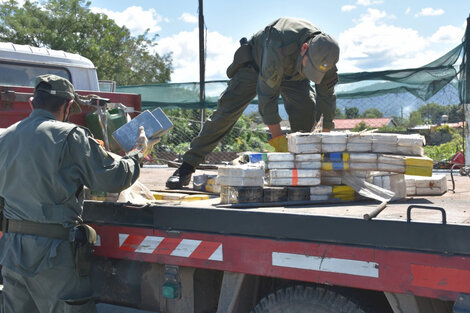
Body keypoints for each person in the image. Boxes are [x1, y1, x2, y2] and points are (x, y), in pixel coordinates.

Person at [0, 74, 156, 313]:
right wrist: (137, 152)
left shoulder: (4, 137)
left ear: (32, 102)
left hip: (11, 253)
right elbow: (113, 178)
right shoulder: (71, 136)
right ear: (68, 105)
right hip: (54, 255)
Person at [166, 17, 340, 189]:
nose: (310, 72)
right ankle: (186, 167)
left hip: (293, 77)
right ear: (304, 48)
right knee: (226, 113)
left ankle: (303, 172)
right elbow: (267, 96)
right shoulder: (278, 41)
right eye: (308, 68)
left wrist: (322, 143)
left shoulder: (326, 55)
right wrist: (278, 141)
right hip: (256, 67)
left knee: (306, 110)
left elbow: (327, 99)